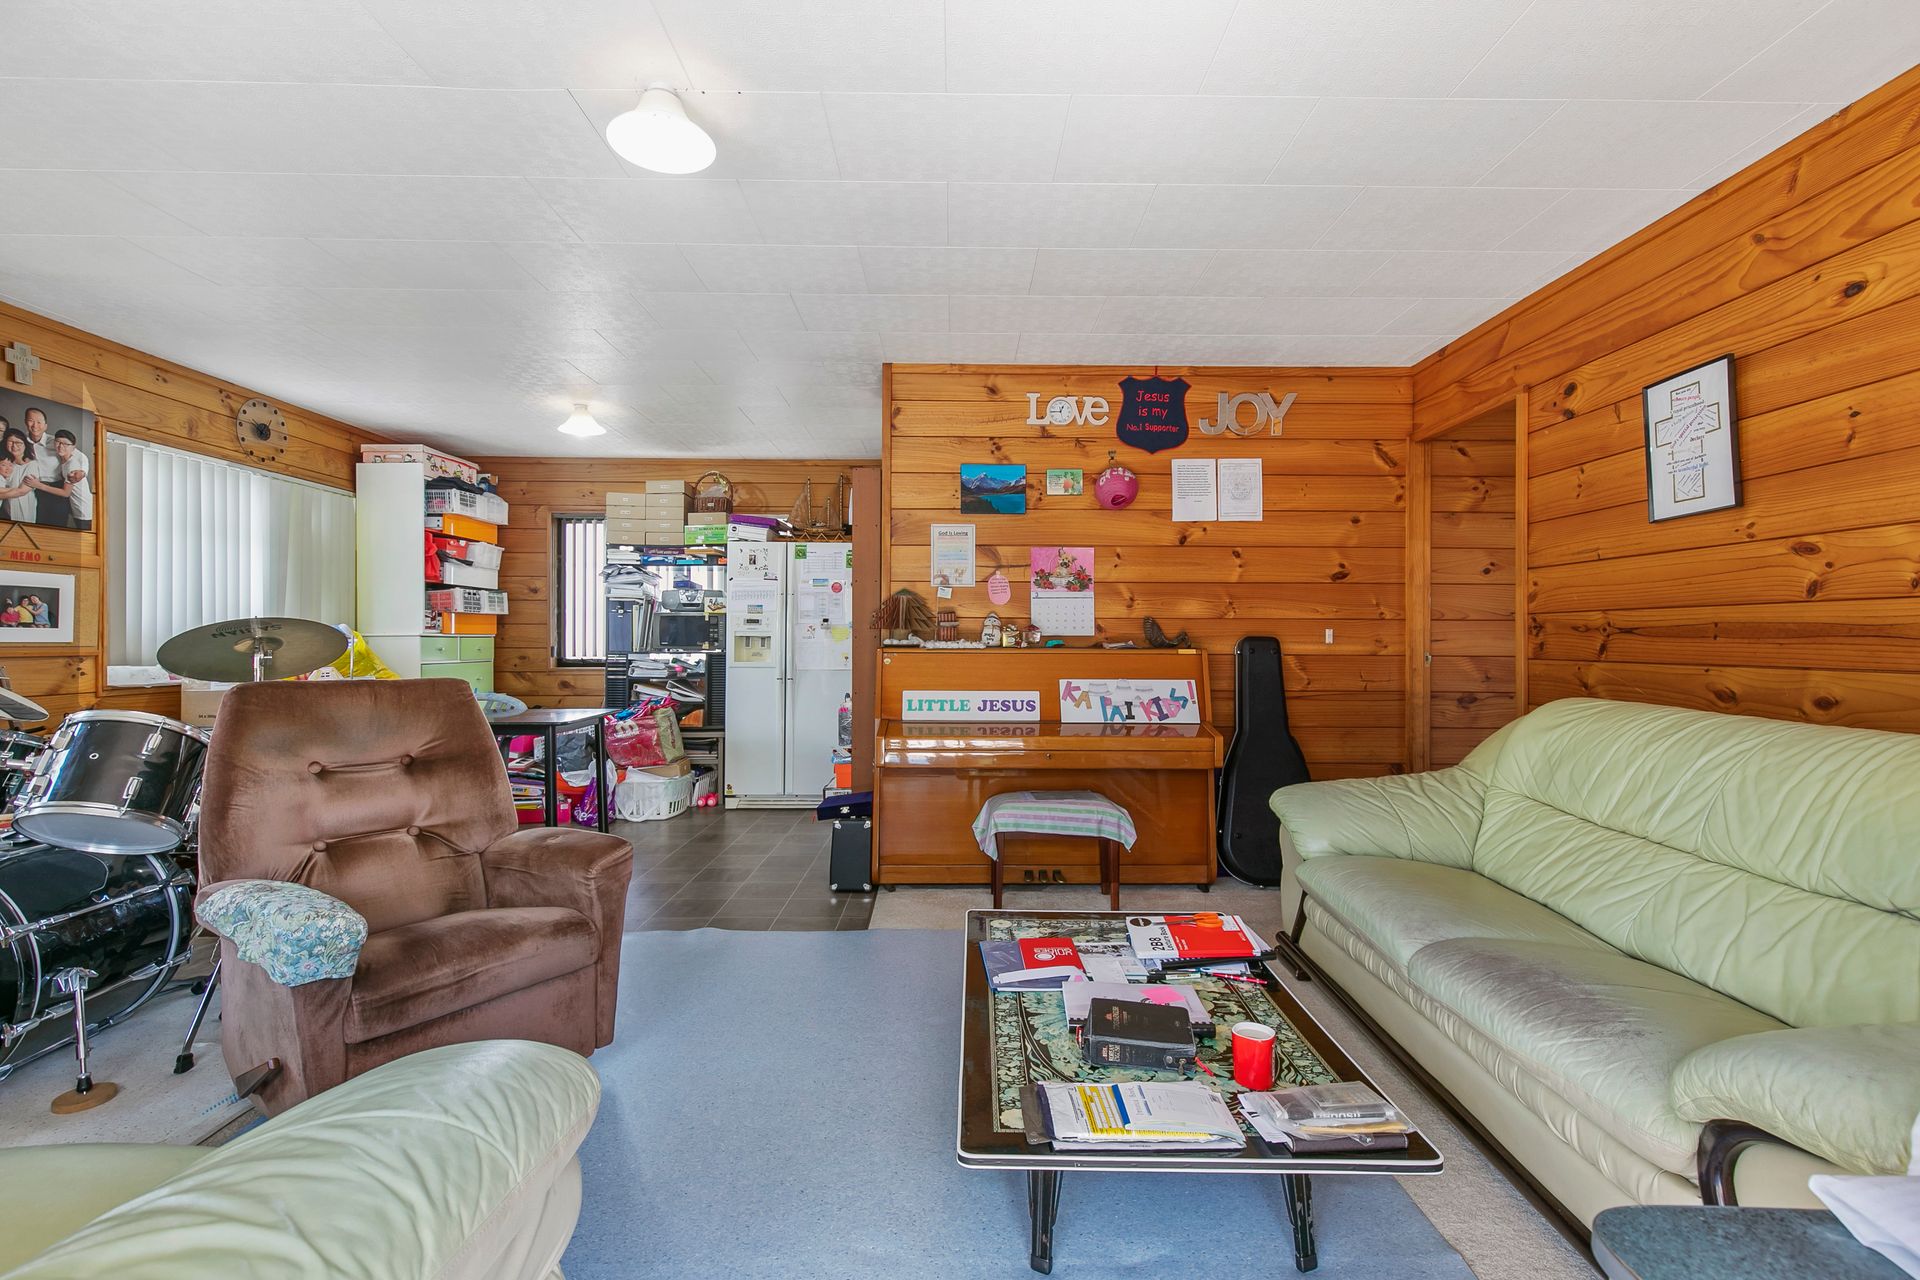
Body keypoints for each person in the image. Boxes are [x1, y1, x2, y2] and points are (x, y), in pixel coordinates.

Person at [21, 409, 66, 528]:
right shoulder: (21, 442)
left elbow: (76, 456)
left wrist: (81, 472)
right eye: (31, 421)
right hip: (33, 490)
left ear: (45, 426)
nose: (35, 425)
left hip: (56, 488)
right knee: (37, 527)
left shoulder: (56, 442)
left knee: (58, 527)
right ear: (25, 422)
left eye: (39, 422)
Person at [42, 430, 91, 532]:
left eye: (65, 444)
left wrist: (38, 485)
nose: (60, 446)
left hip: (82, 509)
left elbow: (65, 493)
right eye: (58, 442)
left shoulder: (72, 466)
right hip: (75, 506)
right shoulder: (69, 457)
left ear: (73, 447)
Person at [0, 430, 35, 525]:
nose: (14, 446)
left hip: (23, 507)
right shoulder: (6, 462)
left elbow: (22, 491)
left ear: (25, 445)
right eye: (10, 442)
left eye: (18, 443)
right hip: (6, 509)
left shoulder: (31, 465)